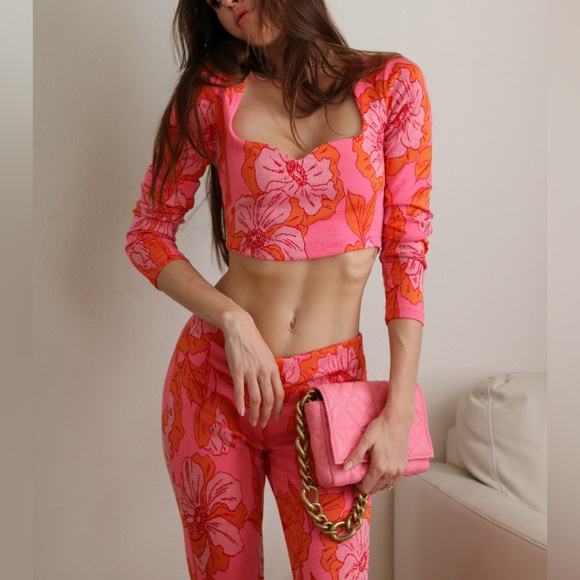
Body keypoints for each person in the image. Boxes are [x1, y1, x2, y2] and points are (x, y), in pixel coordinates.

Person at [125, 0, 432, 577]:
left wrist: (397, 414)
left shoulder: (391, 86)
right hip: (217, 383)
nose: (229, 3)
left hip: (329, 398)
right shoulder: (213, 94)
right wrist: (232, 320)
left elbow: (406, 252)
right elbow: (147, 235)